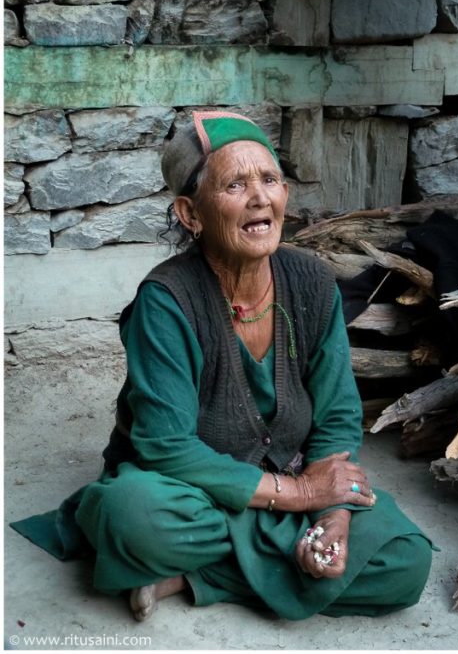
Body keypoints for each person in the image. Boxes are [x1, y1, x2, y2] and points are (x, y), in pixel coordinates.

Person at [11, 111, 434, 621]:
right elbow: (165, 446)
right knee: (133, 515)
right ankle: (255, 563)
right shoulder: (166, 302)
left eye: (270, 180)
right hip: (190, 492)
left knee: (405, 562)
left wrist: (333, 514)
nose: (260, 198)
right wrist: (300, 498)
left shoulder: (311, 282)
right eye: (235, 184)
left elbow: (338, 416)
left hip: (282, 478)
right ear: (191, 215)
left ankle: (191, 576)